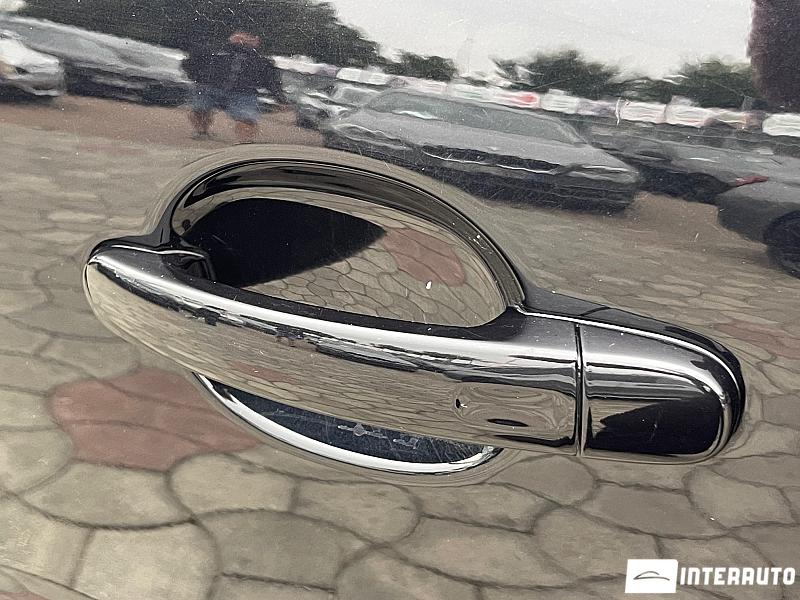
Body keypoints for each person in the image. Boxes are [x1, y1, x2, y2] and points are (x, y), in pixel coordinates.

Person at [182, 31, 285, 143]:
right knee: (200, 108)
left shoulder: (261, 60)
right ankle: (201, 132)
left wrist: (280, 99)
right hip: (209, 87)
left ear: (256, 40)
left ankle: (245, 141)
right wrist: (198, 78)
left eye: (248, 37)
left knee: (246, 118)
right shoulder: (215, 50)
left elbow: (271, 80)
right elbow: (192, 62)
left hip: (243, 92)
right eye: (240, 35)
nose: (242, 39)